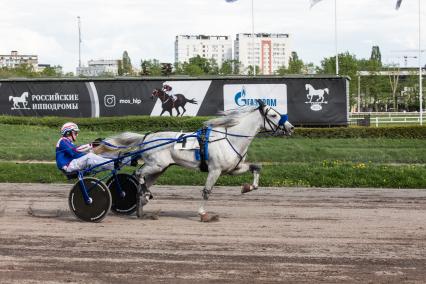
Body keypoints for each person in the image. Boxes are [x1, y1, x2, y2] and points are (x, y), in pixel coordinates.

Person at [56, 122, 133, 173]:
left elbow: (76, 152)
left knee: (99, 153)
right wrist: (92, 145)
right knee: (90, 157)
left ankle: (128, 159)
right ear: (69, 132)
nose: (77, 134)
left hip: (73, 162)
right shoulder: (63, 141)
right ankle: (114, 164)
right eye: (75, 132)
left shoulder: (68, 142)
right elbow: (75, 151)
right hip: (68, 166)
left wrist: (94, 147)